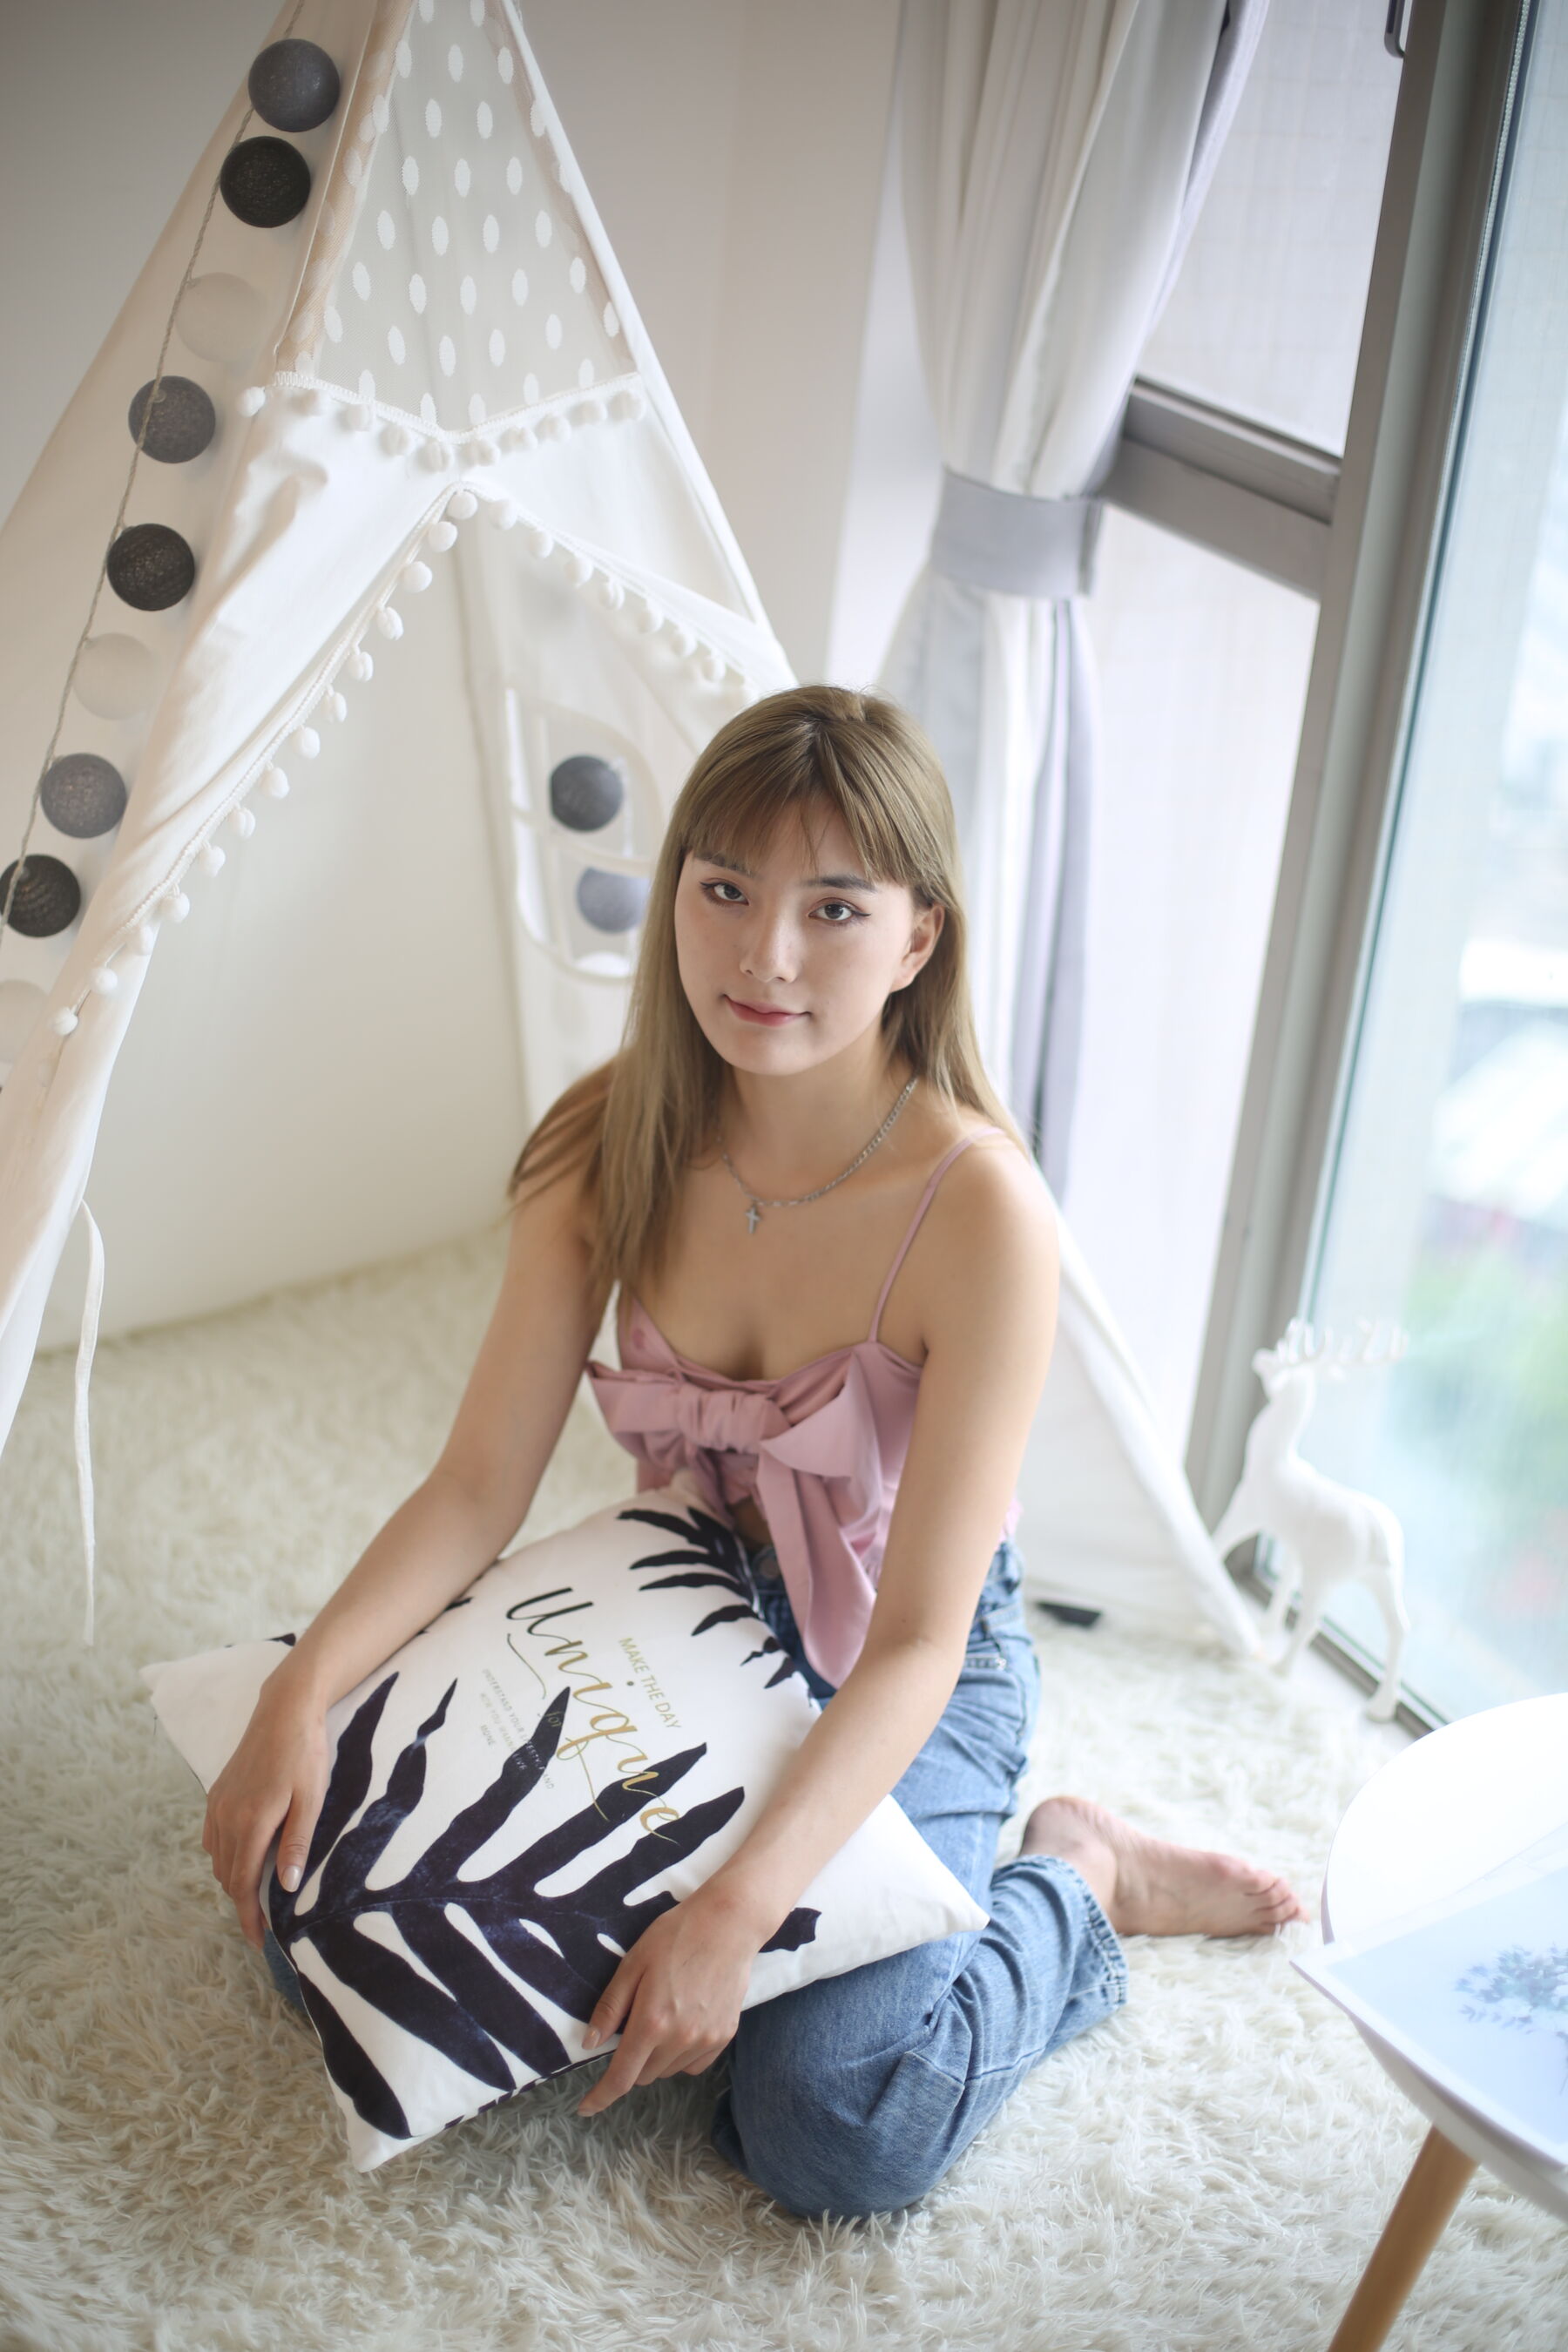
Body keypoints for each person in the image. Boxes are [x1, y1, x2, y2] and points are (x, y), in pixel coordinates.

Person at [202, 683, 1308, 2219]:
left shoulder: (982, 1213)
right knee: (314, 1905)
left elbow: (919, 1643)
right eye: (723, 890)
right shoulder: (608, 1135)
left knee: (836, 2124)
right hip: (675, 1602)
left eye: (833, 909)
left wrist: (736, 1911)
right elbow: (475, 1487)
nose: (763, 955)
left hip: (909, 1662)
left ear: (918, 939)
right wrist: (303, 1690)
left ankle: (1077, 1878)